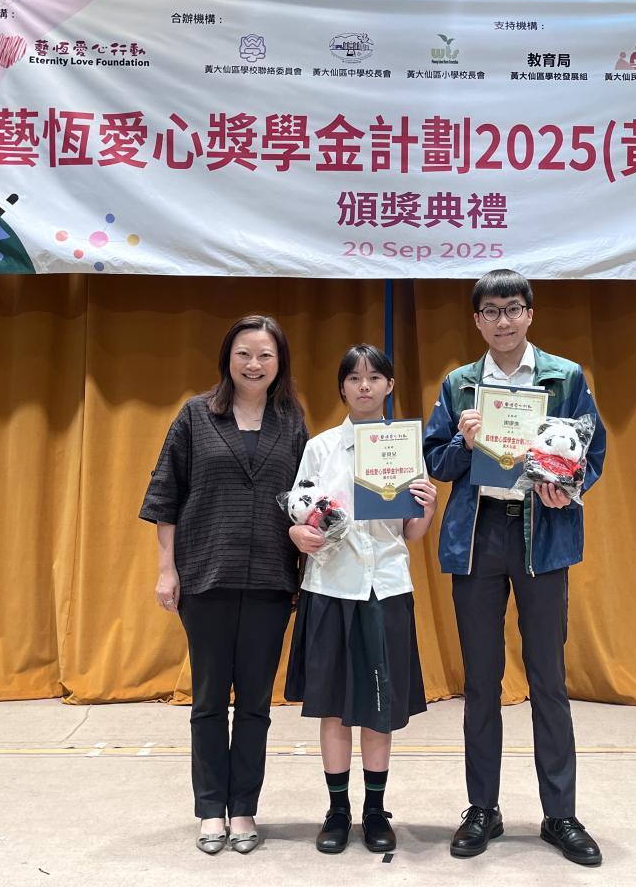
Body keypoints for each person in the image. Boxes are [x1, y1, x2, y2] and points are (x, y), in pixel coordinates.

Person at [423, 270, 607, 867]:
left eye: (512, 309)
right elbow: (435, 462)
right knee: (481, 680)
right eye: (491, 311)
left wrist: (566, 486)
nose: (502, 321)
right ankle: (483, 808)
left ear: (530, 313)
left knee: (549, 677)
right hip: (479, 536)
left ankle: (560, 814)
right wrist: (463, 442)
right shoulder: (459, 384)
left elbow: (592, 452)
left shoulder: (565, 376)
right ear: (477, 320)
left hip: (542, 535)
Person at [139, 314, 308, 856]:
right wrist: (167, 570)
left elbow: (306, 500)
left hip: (271, 581)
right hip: (206, 576)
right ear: (227, 359)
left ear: (279, 363)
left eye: (265, 355)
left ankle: (244, 810)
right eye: (244, 354)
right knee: (209, 701)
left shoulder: (292, 422)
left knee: (256, 703)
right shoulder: (195, 415)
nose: (254, 364)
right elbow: (165, 496)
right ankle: (211, 808)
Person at [285, 344, 438, 855]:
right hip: (330, 587)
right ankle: (337, 811)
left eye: (375, 377)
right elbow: (301, 512)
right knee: (332, 708)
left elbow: (412, 533)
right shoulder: (321, 447)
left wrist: (428, 507)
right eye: (354, 377)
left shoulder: (406, 447)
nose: (365, 385)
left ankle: (374, 810)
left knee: (378, 707)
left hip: (386, 587)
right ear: (342, 388)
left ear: (390, 385)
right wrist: (299, 532)